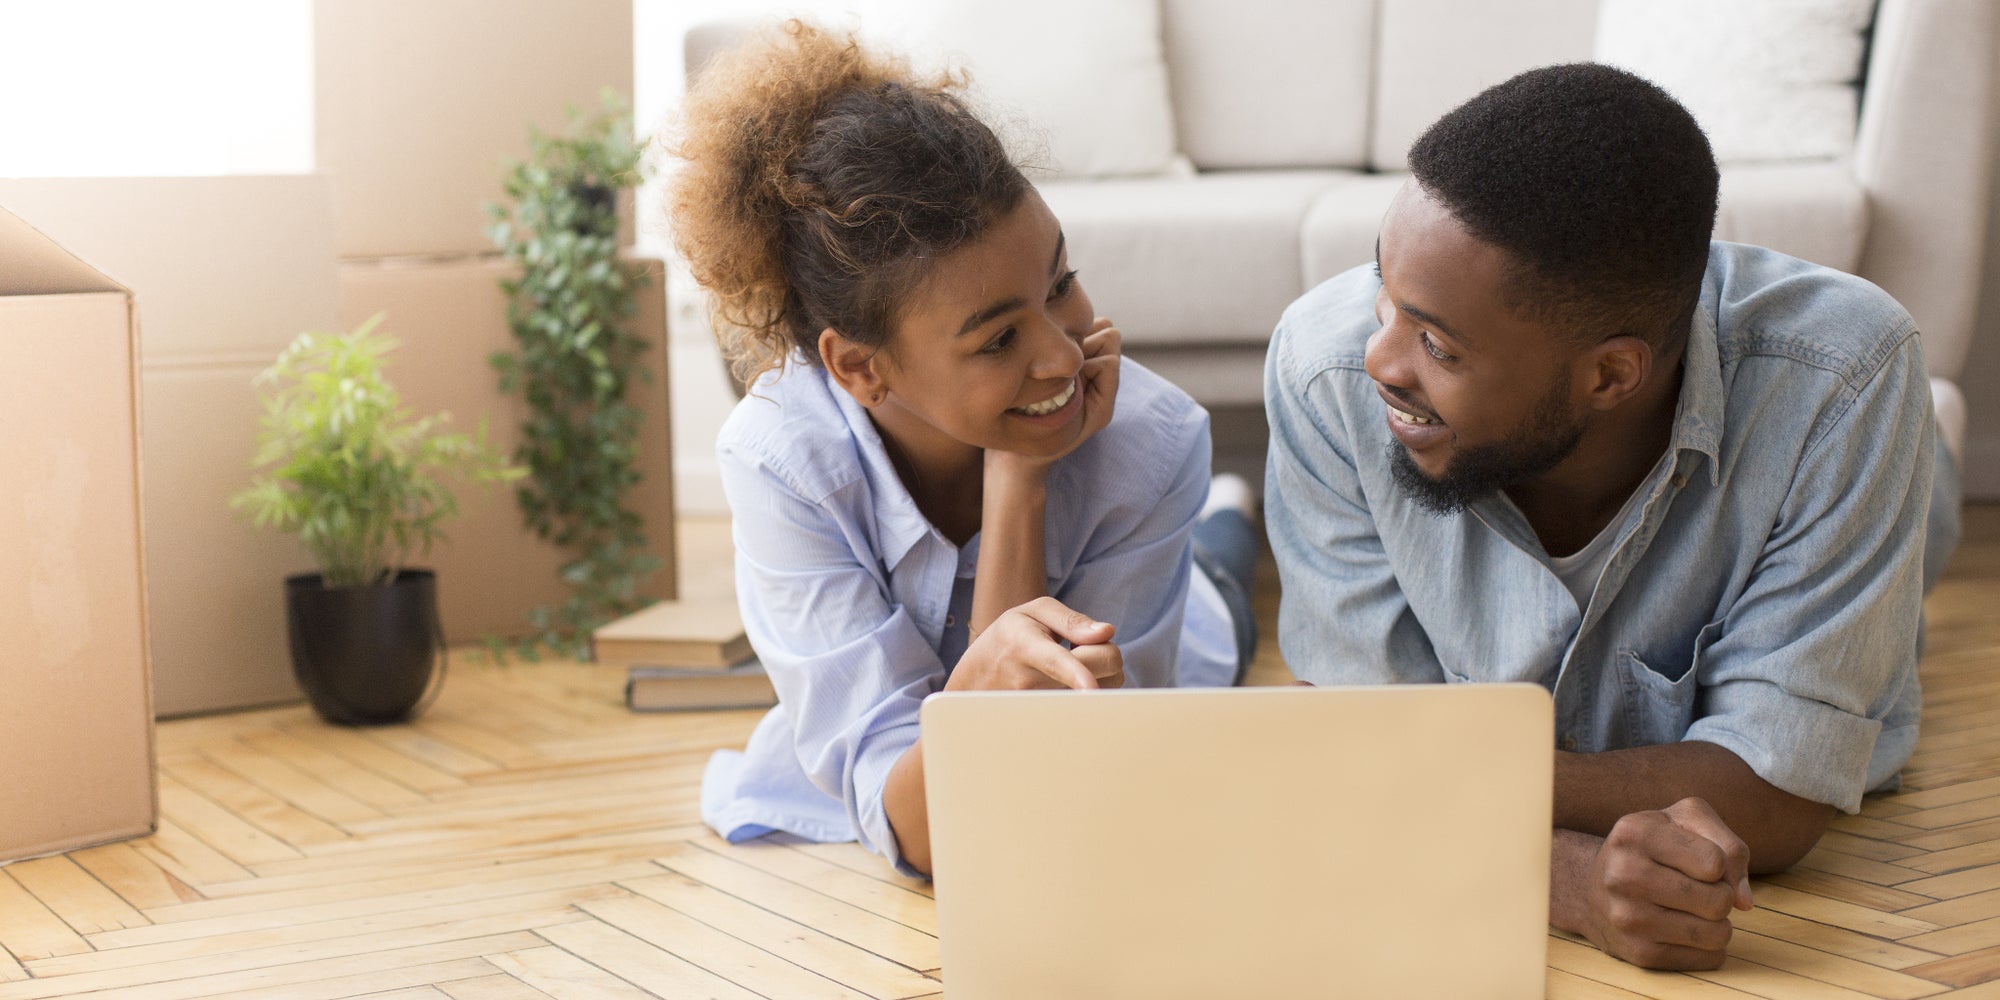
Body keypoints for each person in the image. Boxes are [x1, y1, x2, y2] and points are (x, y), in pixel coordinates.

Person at [1264, 63, 1962, 971]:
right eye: (1384, 298)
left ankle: (1925, 453)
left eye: (1434, 343)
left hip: (1846, 453)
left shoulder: (1845, 381)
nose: (1379, 360)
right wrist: (1563, 879)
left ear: (1610, 374)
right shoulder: (1324, 372)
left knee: (1914, 536)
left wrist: (1425, 776)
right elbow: (1358, 756)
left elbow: (1780, 792)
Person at [665, 20, 1259, 877]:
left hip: (1188, 638)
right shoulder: (780, 462)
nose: (1062, 358)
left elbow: (1064, 782)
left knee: (1223, 590)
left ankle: (1229, 515)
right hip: (928, 775)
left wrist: (1020, 474)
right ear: (860, 368)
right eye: (997, 340)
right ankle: (1227, 513)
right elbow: (939, 831)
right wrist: (1018, 474)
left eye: (1060, 284)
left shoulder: (1151, 441)